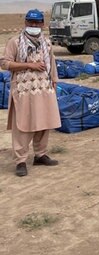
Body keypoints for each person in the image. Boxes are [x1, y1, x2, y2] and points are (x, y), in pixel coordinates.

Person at [0, 9, 60, 177]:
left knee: (44, 122)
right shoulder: (15, 42)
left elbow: (52, 62)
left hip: (44, 88)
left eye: (37, 23)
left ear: (42, 24)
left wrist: (54, 80)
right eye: (30, 22)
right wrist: (28, 65)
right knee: (23, 125)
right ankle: (20, 160)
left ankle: (40, 155)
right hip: (23, 90)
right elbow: (4, 64)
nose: (33, 26)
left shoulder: (46, 42)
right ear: (26, 23)